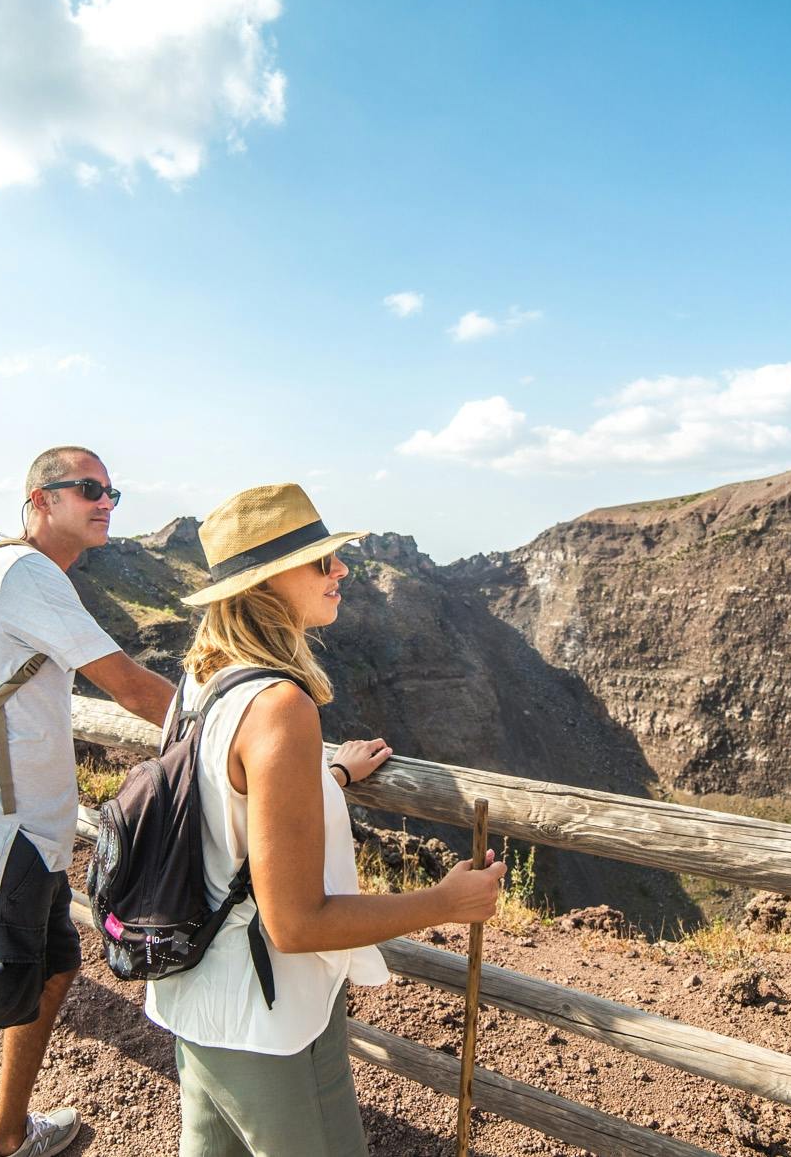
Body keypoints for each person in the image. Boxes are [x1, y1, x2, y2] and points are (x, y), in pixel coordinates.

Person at [147, 483, 506, 1157]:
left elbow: (234, 804)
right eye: (320, 560)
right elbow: (297, 922)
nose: (340, 570)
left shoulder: (202, 682)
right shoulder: (281, 705)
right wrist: (446, 900)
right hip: (271, 1024)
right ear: (264, 582)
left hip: (194, 1000)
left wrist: (327, 776)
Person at [0, 445, 176, 1157]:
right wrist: (243, 728)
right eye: (88, 488)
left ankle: (8, 1132)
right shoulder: (27, 573)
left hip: (22, 837)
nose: (106, 502)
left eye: (111, 491)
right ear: (40, 499)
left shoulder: (7, 568)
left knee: (58, 965)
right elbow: (127, 684)